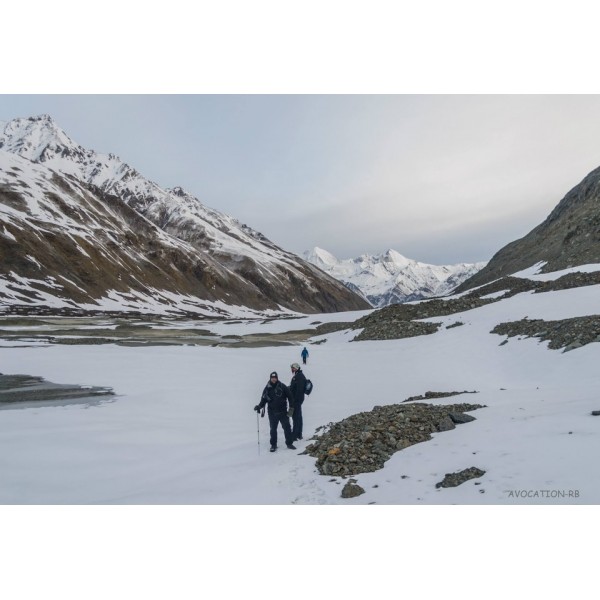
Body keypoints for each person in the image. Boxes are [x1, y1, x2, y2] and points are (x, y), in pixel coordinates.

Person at [254, 371, 296, 452]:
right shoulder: (267, 388)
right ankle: (273, 445)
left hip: (283, 412)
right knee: (273, 429)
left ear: (277, 378)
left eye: (275, 378)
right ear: (270, 378)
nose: (273, 379)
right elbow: (263, 399)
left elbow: (290, 397)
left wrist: (291, 409)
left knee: (287, 427)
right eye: (272, 378)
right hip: (272, 412)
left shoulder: (282, 386)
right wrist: (259, 406)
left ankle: (289, 443)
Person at [289, 362, 306, 441]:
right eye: (292, 368)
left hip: (296, 400)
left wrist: (294, 400)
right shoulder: (298, 375)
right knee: (298, 416)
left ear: (296, 368)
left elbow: (299, 390)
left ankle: (295, 435)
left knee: (296, 417)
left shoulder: (299, 376)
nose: (292, 369)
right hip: (297, 400)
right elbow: (294, 387)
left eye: (293, 368)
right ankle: (299, 434)